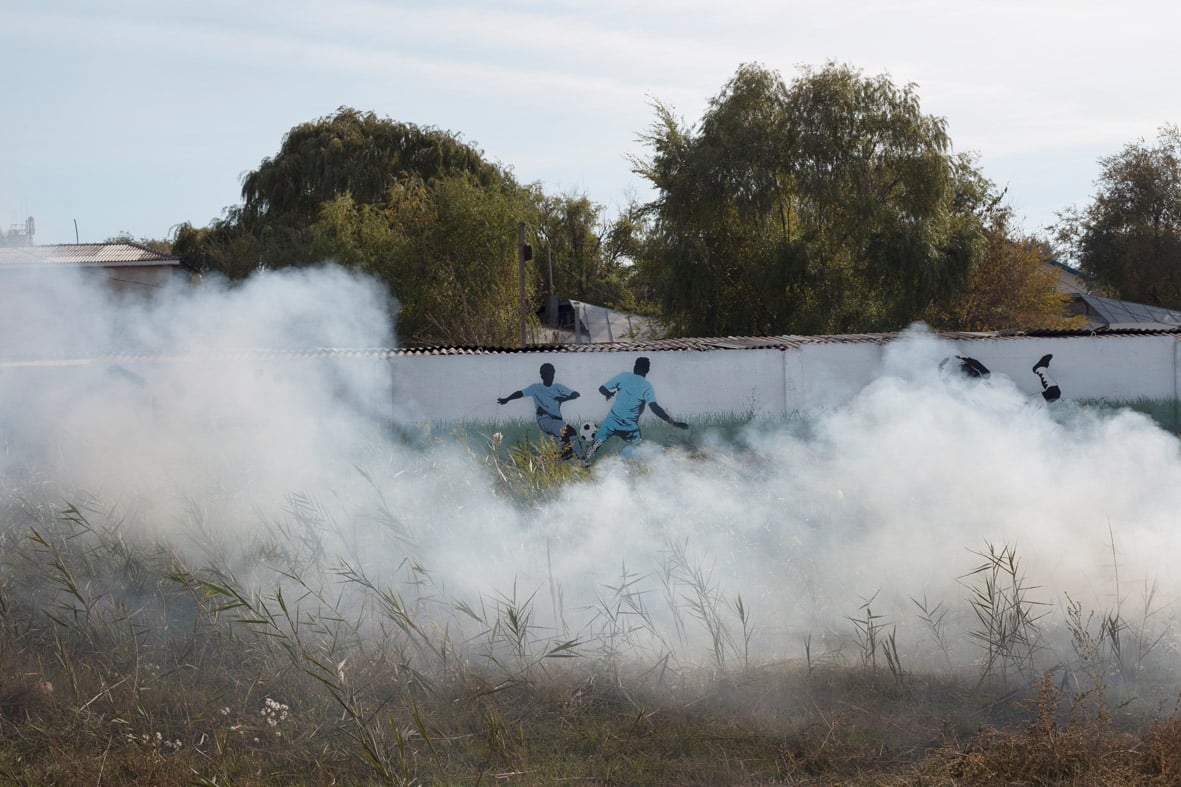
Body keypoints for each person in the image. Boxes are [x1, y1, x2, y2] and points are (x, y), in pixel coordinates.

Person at [581, 356, 688, 466]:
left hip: (612, 420)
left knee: (600, 437)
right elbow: (654, 408)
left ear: (634, 367)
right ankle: (621, 460)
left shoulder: (623, 376)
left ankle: (587, 459)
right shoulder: (647, 386)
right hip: (629, 425)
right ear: (647, 370)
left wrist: (609, 394)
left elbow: (602, 388)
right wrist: (673, 422)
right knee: (635, 443)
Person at [497, 362, 583, 458]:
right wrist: (507, 399)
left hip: (557, 421)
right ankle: (582, 459)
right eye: (547, 375)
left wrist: (564, 398)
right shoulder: (536, 388)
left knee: (566, 452)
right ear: (542, 376)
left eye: (551, 375)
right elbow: (520, 393)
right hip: (545, 421)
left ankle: (541, 459)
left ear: (553, 375)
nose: (549, 377)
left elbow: (576, 394)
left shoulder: (558, 388)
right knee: (571, 432)